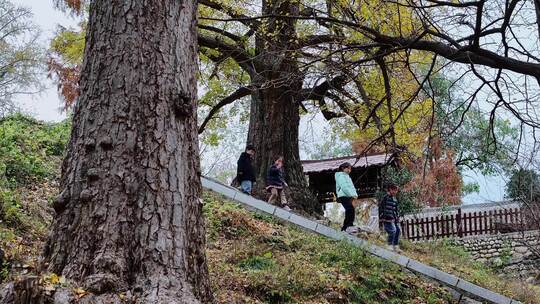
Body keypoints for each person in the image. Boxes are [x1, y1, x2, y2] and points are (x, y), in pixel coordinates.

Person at [335, 162, 359, 234]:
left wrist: (355, 195)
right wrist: (351, 195)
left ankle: (345, 227)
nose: (349, 170)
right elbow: (344, 187)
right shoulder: (341, 176)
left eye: (350, 168)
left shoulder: (347, 177)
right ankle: (349, 226)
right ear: (343, 168)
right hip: (343, 195)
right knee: (350, 209)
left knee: (350, 209)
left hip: (348, 195)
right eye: (347, 168)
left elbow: (352, 187)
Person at [379, 183, 401, 251]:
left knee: (398, 230)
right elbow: (381, 207)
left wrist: (397, 217)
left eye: (396, 190)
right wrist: (381, 217)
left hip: (393, 219)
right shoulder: (386, 197)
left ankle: (395, 245)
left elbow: (396, 210)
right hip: (387, 218)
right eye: (393, 190)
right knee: (392, 231)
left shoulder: (395, 199)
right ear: (390, 189)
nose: (395, 192)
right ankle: (389, 245)